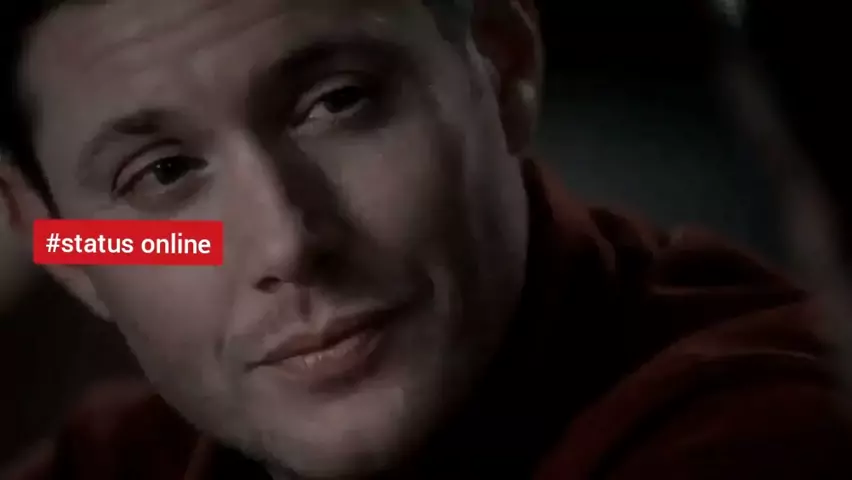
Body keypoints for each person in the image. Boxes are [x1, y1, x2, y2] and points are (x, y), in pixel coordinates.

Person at [2, 1, 852, 478]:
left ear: (504, 67)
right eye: (161, 174)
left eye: (338, 103)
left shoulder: (758, 436)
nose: (285, 245)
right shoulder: (125, 462)